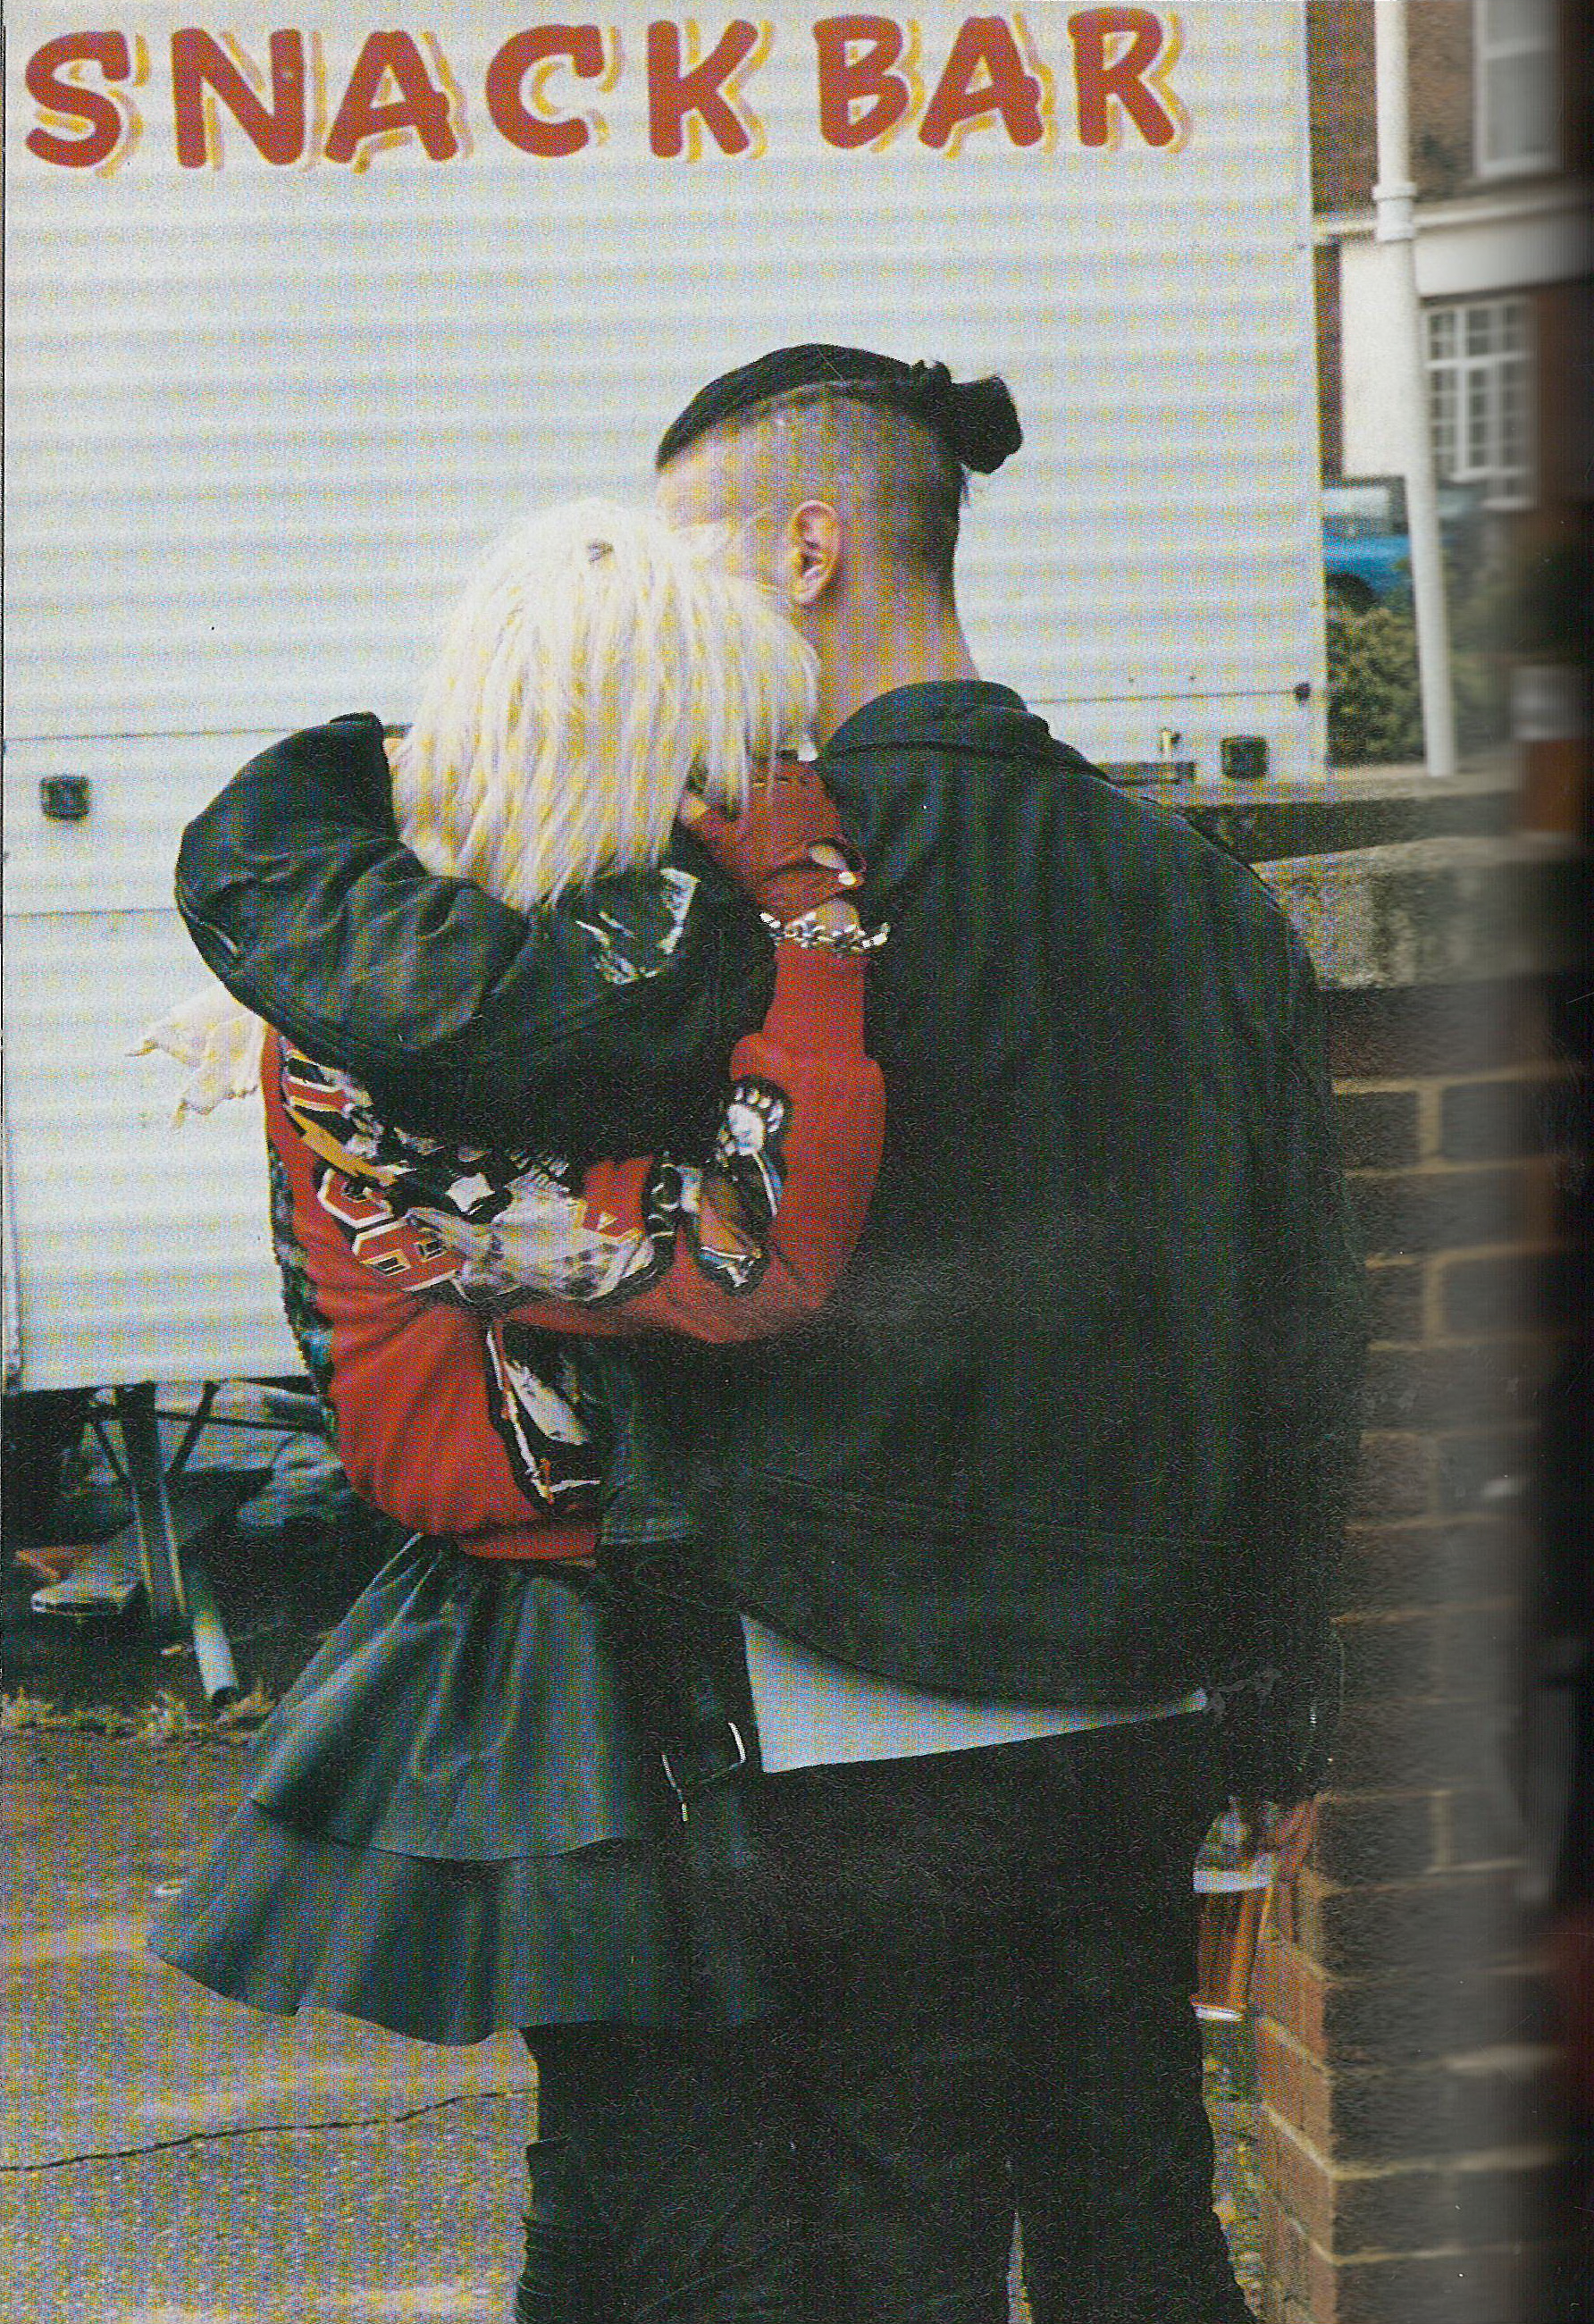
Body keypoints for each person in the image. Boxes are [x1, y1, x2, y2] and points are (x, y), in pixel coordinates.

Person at [173, 348, 1370, 2324]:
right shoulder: (1205, 896)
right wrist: (1281, 1695)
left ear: (808, 551)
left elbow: (435, 1020)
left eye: (691, 553)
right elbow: (1304, 1329)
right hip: (1142, 1698)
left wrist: (301, 809)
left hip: (832, 1692)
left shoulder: (720, 903)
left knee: (877, 2232)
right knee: (1139, 2214)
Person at [149, 500, 887, 2324]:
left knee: (645, 2149)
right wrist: (814, 920)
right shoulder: (441, 1028)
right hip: (586, 1629)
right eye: (720, 745)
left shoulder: (386, 969)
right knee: (701, 2170)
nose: (748, 785)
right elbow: (749, 1261)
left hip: (589, 1606)